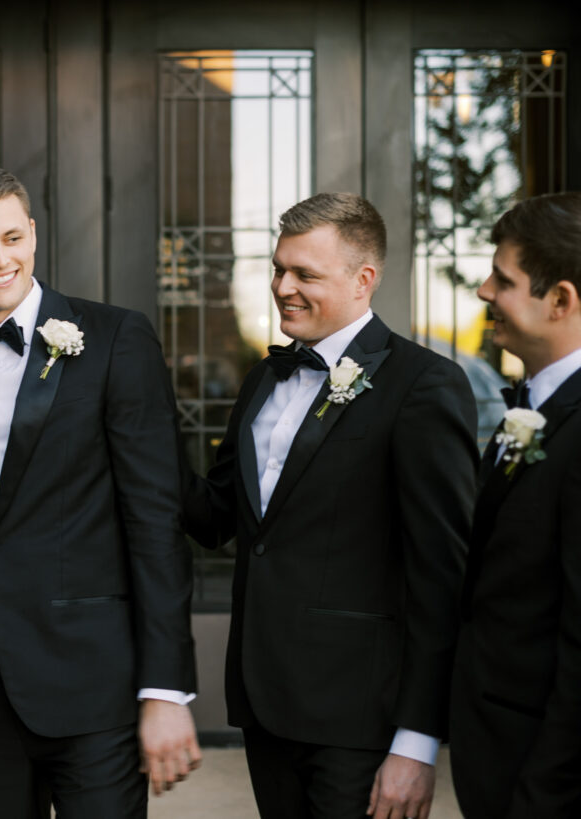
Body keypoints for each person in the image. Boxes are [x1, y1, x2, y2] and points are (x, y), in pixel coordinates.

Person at [0, 162, 200, 818]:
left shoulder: (116, 338)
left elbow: (153, 519)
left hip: (96, 683)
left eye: (12, 237)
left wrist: (166, 687)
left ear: (32, 230)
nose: (1, 259)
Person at [183, 192, 477, 819]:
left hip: (362, 717)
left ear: (363, 279)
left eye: (305, 274)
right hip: (265, 701)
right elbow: (216, 518)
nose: (282, 287)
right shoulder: (264, 378)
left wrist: (417, 742)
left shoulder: (424, 384)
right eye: (278, 269)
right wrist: (139, 442)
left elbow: (442, 576)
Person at [450, 192, 581, 818]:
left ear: (561, 300)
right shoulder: (532, 410)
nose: (484, 291)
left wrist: (540, 799)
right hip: (497, 758)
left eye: (503, 280)